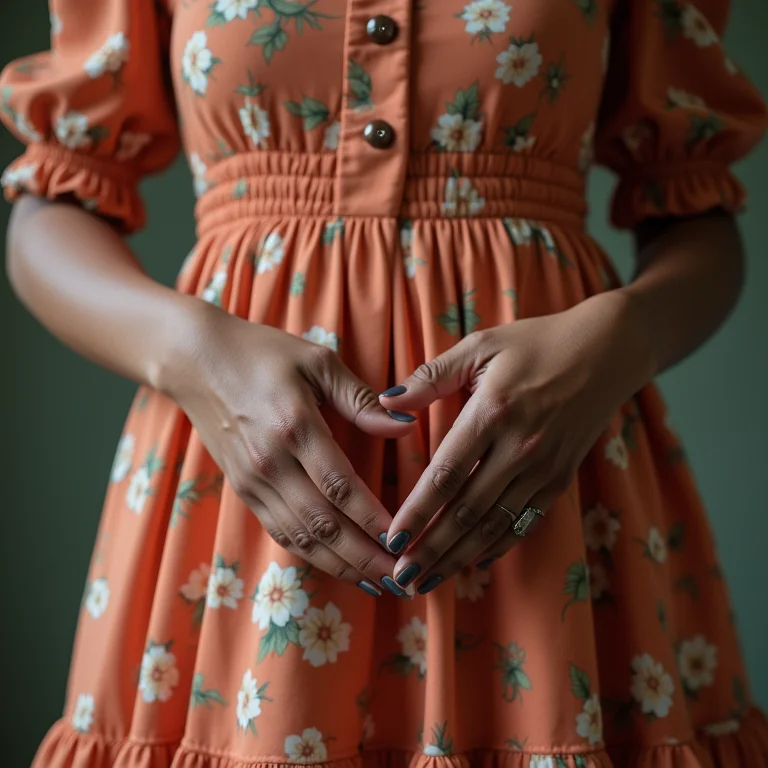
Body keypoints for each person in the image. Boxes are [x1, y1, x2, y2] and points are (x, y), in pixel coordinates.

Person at [2, 0, 767, 765]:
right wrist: (191, 351)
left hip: (548, 483)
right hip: (241, 485)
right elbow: (56, 202)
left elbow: (694, 205)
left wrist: (621, 342)